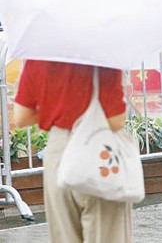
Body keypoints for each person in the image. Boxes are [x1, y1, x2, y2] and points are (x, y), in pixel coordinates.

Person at [14, 61, 132, 242]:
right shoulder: (103, 57)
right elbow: (116, 120)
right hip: (99, 151)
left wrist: (56, 111)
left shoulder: (37, 59)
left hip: (58, 152)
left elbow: (21, 117)